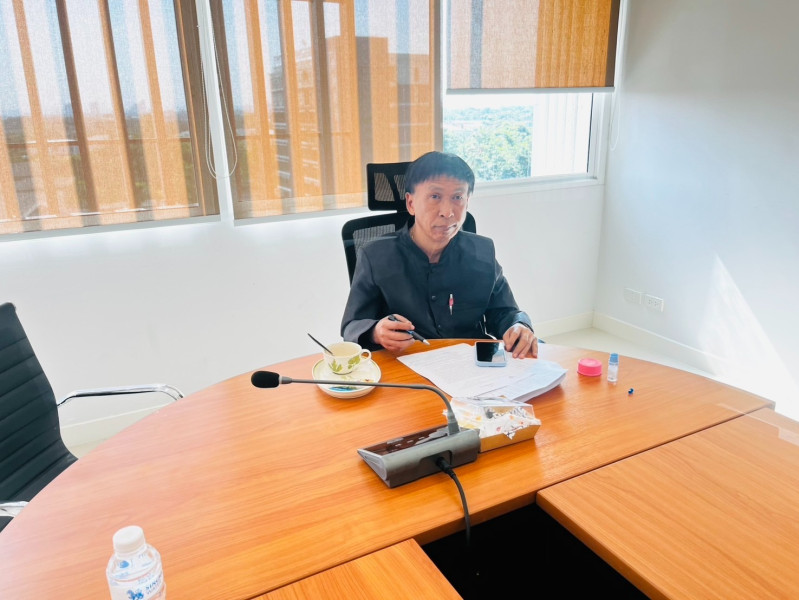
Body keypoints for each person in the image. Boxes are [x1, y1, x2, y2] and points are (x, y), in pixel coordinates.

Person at [341, 151, 538, 359]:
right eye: (435, 196)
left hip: (470, 363)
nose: (447, 212)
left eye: (457, 197)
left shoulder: (483, 252)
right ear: (411, 203)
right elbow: (352, 325)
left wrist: (518, 325)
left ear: (467, 202)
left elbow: (504, 311)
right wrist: (375, 331)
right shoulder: (375, 256)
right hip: (407, 363)